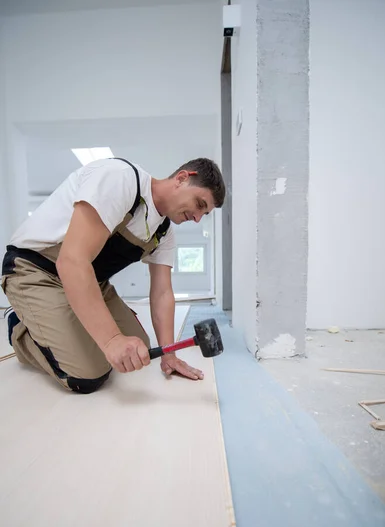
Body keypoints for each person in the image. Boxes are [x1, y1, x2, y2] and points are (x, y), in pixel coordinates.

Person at [1, 157, 225, 393]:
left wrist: (168, 353)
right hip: (36, 270)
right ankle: (20, 329)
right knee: (88, 375)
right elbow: (72, 261)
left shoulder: (163, 233)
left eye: (205, 214)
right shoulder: (120, 180)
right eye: (199, 204)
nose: (198, 218)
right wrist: (110, 341)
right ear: (181, 178)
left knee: (139, 348)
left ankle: (61, 321)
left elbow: (161, 293)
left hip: (91, 281)